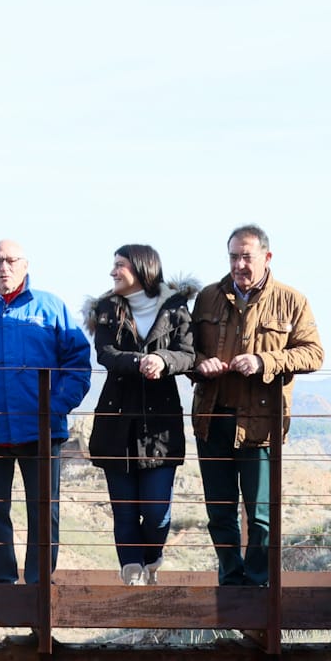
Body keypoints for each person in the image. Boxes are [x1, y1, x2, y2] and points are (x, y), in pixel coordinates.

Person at [0, 240, 92, 584]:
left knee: (44, 510)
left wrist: (55, 407)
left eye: (11, 260)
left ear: (26, 265)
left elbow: (78, 363)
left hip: (42, 431)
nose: (4, 267)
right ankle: (2, 582)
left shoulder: (51, 307)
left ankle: (39, 585)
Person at [187, 224, 324, 586]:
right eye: (233, 257)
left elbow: (313, 354)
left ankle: (259, 584)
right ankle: (231, 581)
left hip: (261, 423)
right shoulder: (207, 297)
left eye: (246, 257)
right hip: (212, 419)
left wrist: (264, 362)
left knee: (261, 514)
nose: (239, 265)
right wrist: (201, 363)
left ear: (267, 257)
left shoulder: (292, 300)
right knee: (219, 512)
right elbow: (187, 350)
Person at [87, 244, 197, 585]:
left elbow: (188, 354)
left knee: (155, 512)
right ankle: (131, 572)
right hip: (116, 422)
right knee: (124, 509)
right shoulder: (107, 308)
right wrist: (139, 362)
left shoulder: (175, 307)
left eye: (119, 265)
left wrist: (163, 360)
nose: (113, 272)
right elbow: (105, 352)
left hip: (160, 426)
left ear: (141, 268)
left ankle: (151, 558)